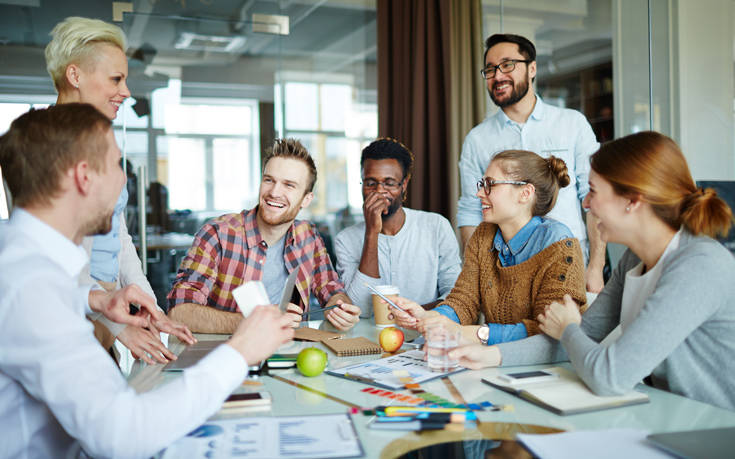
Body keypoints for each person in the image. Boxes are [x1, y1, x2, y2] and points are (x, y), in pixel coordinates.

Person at [0, 104, 294, 457]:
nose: (124, 180)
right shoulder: (32, 289)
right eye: (115, 165)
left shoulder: (20, 261)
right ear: (83, 176)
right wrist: (239, 352)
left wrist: (90, 298)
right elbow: (123, 435)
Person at [450, 132, 735, 411]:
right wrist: (488, 355)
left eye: (594, 192)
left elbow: (610, 375)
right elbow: (575, 341)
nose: (585, 204)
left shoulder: (699, 266)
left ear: (632, 200)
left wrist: (568, 329)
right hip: (670, 418)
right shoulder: (633, 259)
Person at [45, 16, 181, 363]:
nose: (126, 92)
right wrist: (119, 324)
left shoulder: (98, 145)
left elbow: (118, 238)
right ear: (75, 76)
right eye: (115, 79)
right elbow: (51, 263)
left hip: (104, 322)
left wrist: (151, 308)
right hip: (67, 325)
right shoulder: (37, 150)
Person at [456, 33, 606, 293]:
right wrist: (478, 275)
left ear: (532, 67)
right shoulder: (478, 139)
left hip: (570, 263)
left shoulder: (572, 124)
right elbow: (471, 211)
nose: (497, 76)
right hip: (506, 271)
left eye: (507, 65)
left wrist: (595, 266)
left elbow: (595, 198)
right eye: (490, 69)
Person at [391, 150, 587, 345]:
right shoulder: (484, 236)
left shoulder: (560, 245)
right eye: (482, 184)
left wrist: (474, 334)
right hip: (492, 362)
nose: (479, 193)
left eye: (490, 184)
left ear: (525, 193)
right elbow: (464, 300)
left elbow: (549, 331)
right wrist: (429, 317)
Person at [168, 138, 361, 333]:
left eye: (289, 185)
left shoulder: (309, 237)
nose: (274, 192)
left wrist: (340, 306)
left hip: (291, 354)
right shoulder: (218, 234)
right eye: (269, 180)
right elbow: (179, 312)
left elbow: (331, 288)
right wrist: (254, 323)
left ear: (306, 199)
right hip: (230, 355)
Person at [334, 138, 461, 315]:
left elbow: (456, 294)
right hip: (368, 340)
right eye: (371, 183)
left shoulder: (436, 227)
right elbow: (359, 308)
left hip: (425, 334)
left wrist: (413, 314)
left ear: (404, 184)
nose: (379, 191)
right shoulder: (346, 240)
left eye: (389, 183)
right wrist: (372, 233)